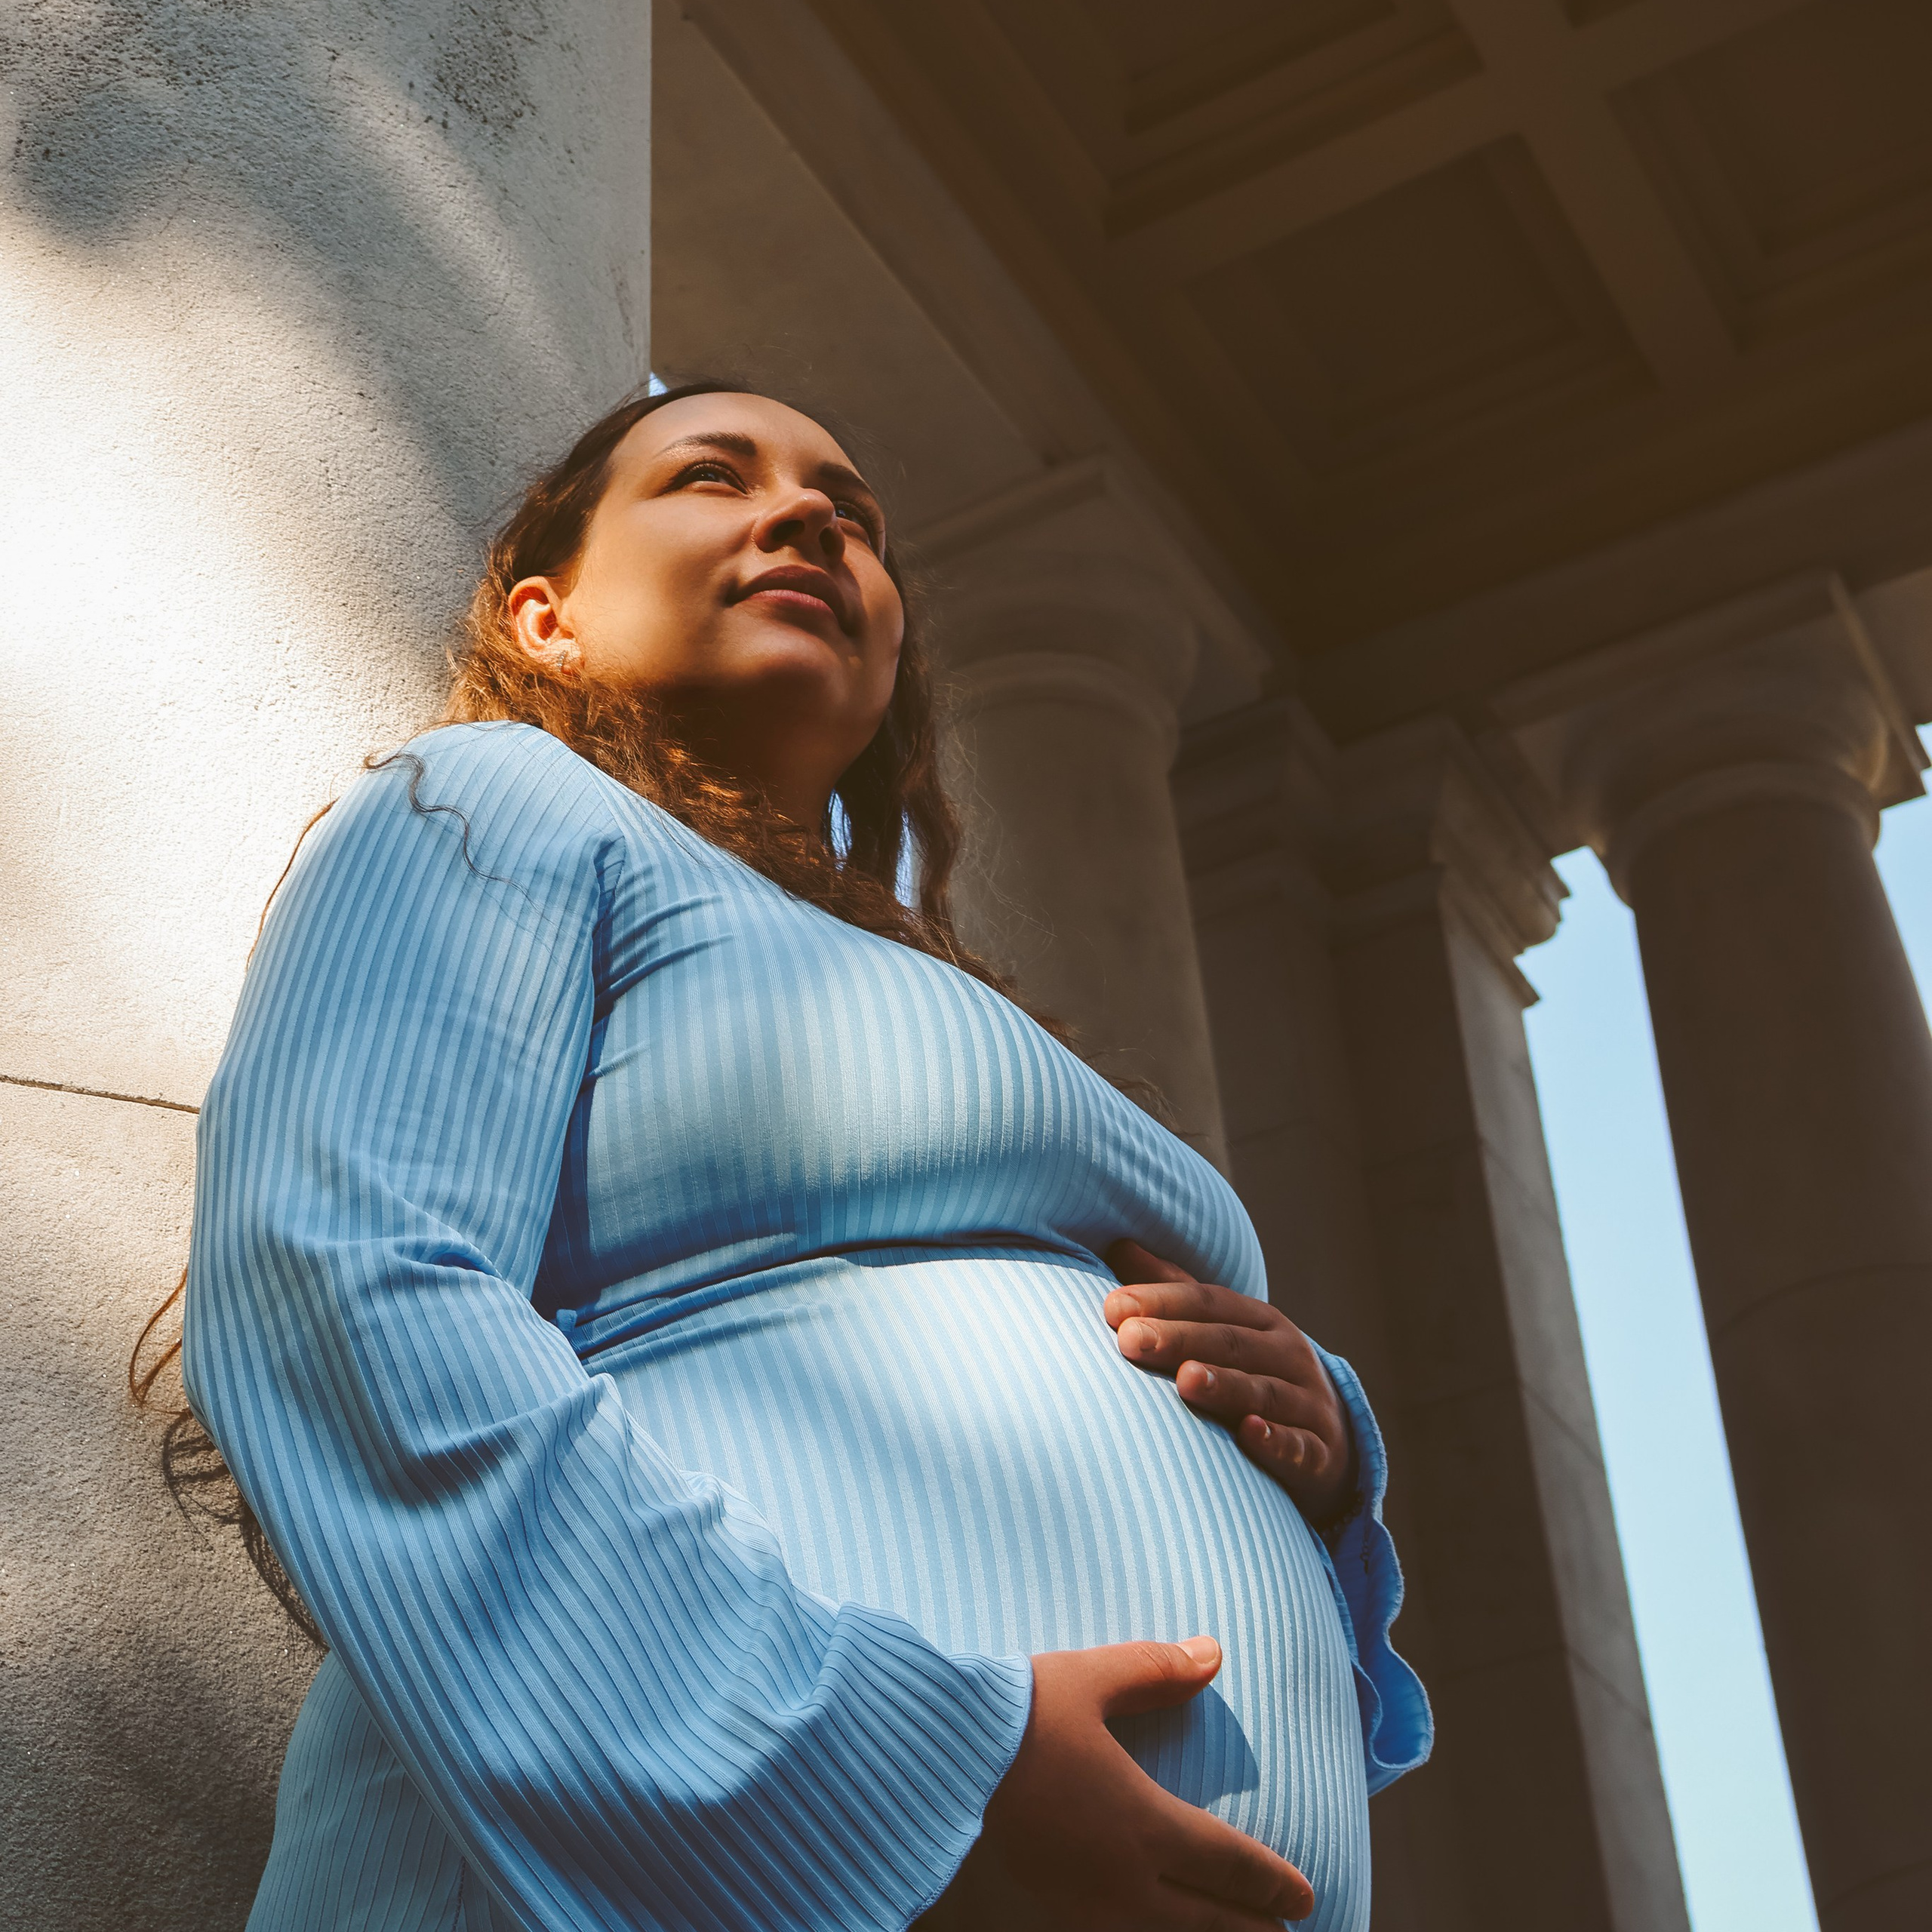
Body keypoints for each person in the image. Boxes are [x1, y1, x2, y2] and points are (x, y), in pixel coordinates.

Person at [180, 382, 1430, 1932]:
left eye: (853, 513)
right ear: (546, 616)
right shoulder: (486, 801)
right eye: (710, 477)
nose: (806, 516)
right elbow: (341, 1289)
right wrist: (896, 1778)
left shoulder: (933, 994)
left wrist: (1306, 1424)